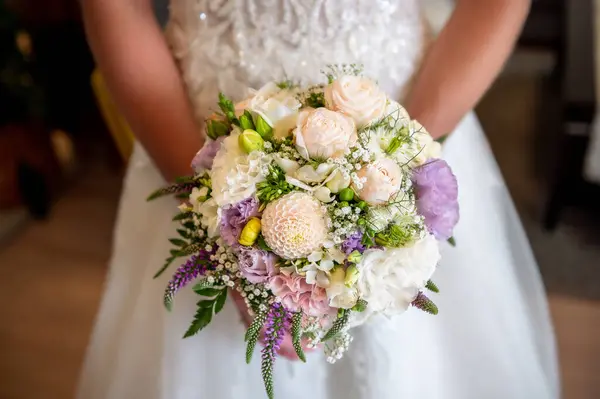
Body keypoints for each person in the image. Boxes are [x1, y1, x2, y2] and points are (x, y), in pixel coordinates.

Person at [78, 0, 560, 398]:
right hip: (192, 139)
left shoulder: (400, 160)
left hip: (409, 122)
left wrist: (393, 172)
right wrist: (215, 213)